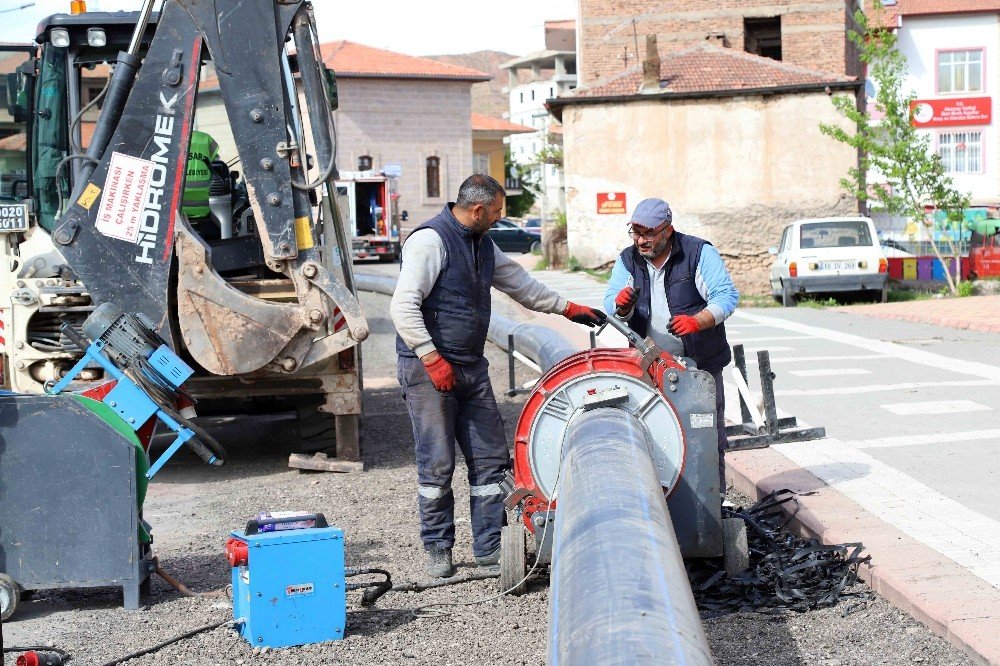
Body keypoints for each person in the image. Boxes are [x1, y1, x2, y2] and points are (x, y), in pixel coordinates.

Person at [391, 174, 606, 578]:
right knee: (437, 465)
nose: (497, 219)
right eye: (495, 213)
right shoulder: (430, 242)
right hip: (429, 369)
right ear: (476, 210)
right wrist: (430, 357)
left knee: (491, 460)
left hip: (470, 366)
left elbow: (521, 285)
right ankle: (438, 549)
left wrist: (567, 308)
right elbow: (403, 308)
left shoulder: (482, 245)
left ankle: (489, 548)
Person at [603, 197, 739, 493]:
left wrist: (698, 321)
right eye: (635, 233)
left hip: (698, 364)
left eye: (648, 233)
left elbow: (727, 297)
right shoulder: (628, 260)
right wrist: (621, 305)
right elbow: (611, 306)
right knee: (655, 433)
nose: (641, 240)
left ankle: (713, 502)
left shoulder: (698, 253)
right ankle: (664, 501)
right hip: (650, 365)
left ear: (667, 230)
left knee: (704, 434)